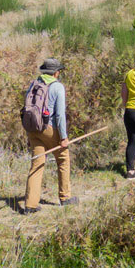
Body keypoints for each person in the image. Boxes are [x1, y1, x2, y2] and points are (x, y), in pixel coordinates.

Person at [23, 57, 77, 214]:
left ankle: (30, 205)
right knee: (63, 159)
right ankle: (65, 197)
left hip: (33, 128)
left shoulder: (34, 84)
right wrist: (63, 137)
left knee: (37, 163)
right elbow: (60, 115)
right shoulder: (57, 87)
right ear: (56, 73)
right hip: (49, 128)